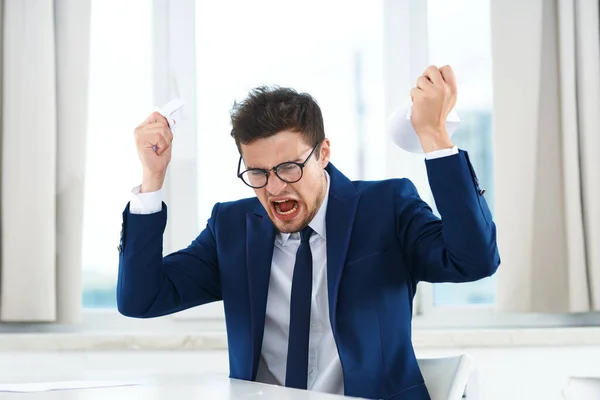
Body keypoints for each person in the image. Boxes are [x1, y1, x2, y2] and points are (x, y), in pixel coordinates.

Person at [117, 65, 500, 400]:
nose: (275, 188)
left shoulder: (387, 207)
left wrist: (434, 137)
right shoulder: (232, 228)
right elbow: (140, 299)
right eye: (258, 173)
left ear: (323, 154)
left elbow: (474, 260)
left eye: (289, 167)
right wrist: (152, 179)